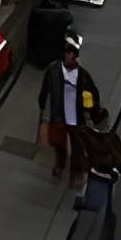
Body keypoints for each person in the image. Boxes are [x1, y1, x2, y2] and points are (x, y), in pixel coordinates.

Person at [36, 31, 100, 183]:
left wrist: (91, 113)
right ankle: (60, 163)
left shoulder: (83, 75)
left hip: (76, 118)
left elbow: (92, 94)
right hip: (58, 115)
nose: (70, 56)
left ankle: (76, 172)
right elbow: (45, 87)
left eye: (73, 53)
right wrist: (42, 101)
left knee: (77, 147)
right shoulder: (53, 70)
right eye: (68, 53)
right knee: (58, 143)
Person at [73, 101, 121, 240]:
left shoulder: (111, 137)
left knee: (108, 209)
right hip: (98, 176)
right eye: (105, 122)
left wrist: (116, 170)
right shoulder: (89, 136)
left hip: (110, 177)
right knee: (95, 205)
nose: (108, 124)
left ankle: (110, 238)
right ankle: (80, 205)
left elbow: (120, 154)